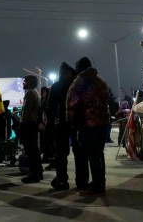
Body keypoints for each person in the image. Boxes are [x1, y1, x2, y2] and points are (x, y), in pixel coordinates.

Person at [67, 56, 110, 196]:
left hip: (87, 124)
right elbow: (107, 98)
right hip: (102, 123)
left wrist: (72, 121)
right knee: (99, 154)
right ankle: (101, 182)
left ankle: (96, 186)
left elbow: (71, 103)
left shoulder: (80, 82)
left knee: (92, 156)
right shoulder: (101, 81)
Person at [46, 61, 87, 191]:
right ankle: (62, 179)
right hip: (61, 124)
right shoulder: (56, 86)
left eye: (69, 72)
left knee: (79, 153)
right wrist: (56, 115)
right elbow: (49, 105)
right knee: (61, 154)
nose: (67, 75)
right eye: (65, 73)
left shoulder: (75, 85)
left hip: (75, 123)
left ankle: (81, 181)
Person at [20, 74, 43, 183]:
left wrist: (22, 124)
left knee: (30, 151)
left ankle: (33, 174)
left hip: (28, 125)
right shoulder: (36, 93)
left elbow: (26, 111)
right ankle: (38, 172)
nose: (23, 83)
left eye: (25, 81)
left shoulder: (29, 93)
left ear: (29, 82)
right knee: (35, 150)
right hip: (33, 124)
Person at [39, 86, 56, 168]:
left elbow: (49, 112)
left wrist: (46, 121)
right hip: (47, 123)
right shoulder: (44, 101)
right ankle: (50, 159)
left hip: (50, 124)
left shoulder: (48, 101)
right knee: (47, 142)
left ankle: (53, 160)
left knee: (48, 142)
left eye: (42, 92)